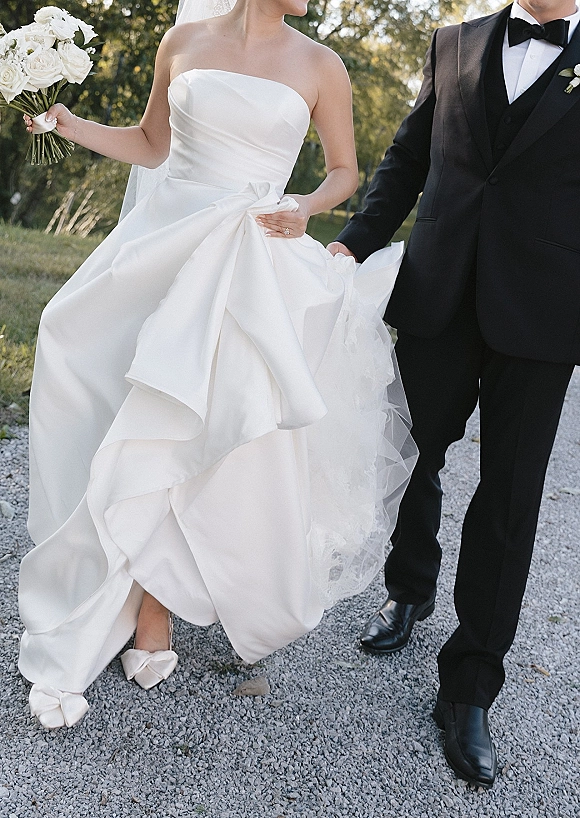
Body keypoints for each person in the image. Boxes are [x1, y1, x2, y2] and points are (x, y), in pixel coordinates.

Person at [18, 0, 415, 729]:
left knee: (193, 422)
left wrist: (304, 204)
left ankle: (153, 611)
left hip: (248, 260)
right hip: (166, 242)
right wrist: (68, 125)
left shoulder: (322, 65)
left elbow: (344, 171)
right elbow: (149, 143)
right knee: (82, 355)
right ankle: (110, 579)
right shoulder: (184, 38)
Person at [329, 0, 580, 790]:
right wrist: (353, 242)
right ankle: (409, 589)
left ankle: (469, 690)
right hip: (438, 290)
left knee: (509, 501)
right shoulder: (454, 43)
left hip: (544, 314)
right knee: (409, 452)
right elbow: (407, 159)